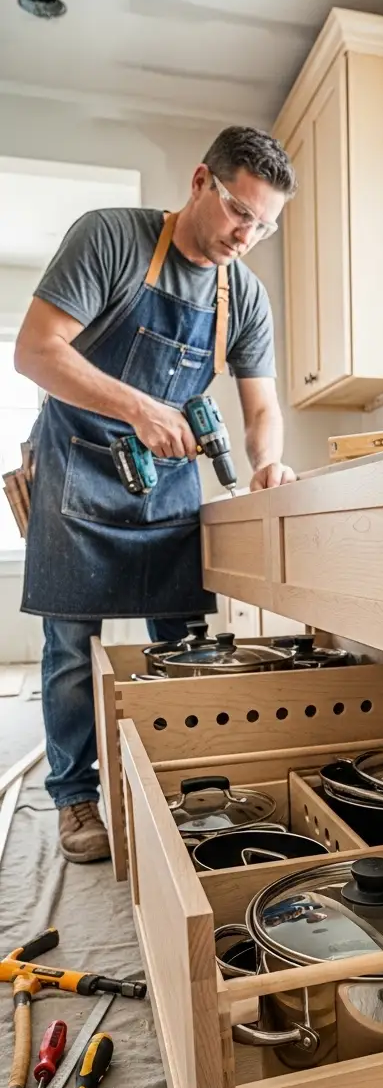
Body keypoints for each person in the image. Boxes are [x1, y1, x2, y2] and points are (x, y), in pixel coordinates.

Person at [14, 126, 297, 863]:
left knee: (187, 647)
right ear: (202, 181)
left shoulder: (246, 294)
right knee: (73, 648)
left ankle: (193, 789)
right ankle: (77, 797)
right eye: (241, 211)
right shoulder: (111, 239)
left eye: (264, 224)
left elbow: (262, 407)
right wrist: (139, 408)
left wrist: (269, 465)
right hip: (76, 466)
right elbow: (35, 351)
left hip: (168, 485)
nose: (248, 233)